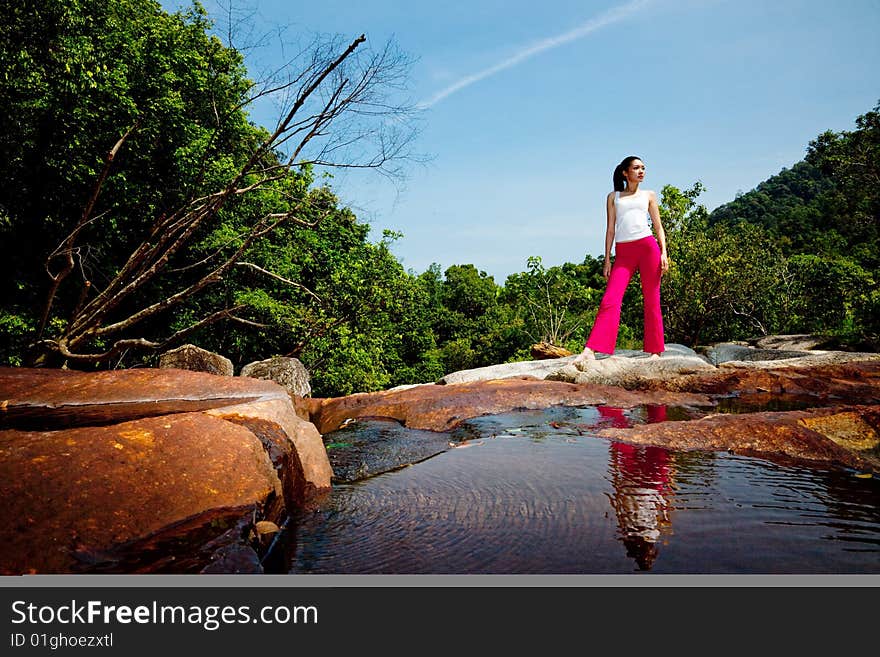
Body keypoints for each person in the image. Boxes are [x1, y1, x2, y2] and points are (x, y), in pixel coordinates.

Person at [572, 156, 669, 368]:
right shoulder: (613, 197)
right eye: (636, 168)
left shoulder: (649, 195)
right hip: (624, 252)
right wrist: (607, 259)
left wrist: (664, 253)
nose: (641, 171)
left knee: (651, 298)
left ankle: (655, 351)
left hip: (647, 248)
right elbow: (610, 229)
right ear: (625, 172)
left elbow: (658, 227)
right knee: (610, 299)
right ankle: (591, 350)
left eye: (643, 168)